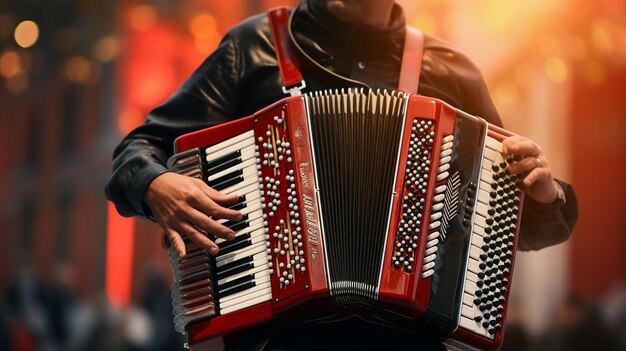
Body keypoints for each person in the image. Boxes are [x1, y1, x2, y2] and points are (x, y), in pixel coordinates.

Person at [105, 0, 579, 349]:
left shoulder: (452, 73)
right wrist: (154, 184)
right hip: (276, 337)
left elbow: (512, 231)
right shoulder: (251, 48)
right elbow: (136, 151)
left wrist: (544, 194)